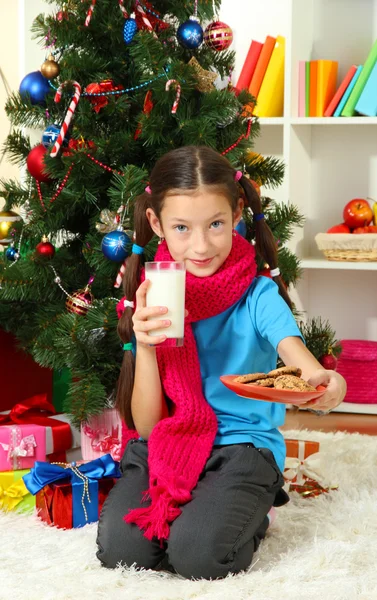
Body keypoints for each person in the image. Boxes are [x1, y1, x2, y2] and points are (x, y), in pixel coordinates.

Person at [96, 145, 346, 580]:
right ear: (156, 224)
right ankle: (203, 505)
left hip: (241, 448)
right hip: (168, 443)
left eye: (215, 224)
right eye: (181, 228)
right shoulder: (155, 296)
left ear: (237, 213)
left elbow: (298, 359)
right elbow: (149, 427)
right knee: (121, 551)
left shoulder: (258, 295)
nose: (201, 245)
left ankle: (252, 513)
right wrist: (147, 345)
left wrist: (327, 382)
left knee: (197, 556)